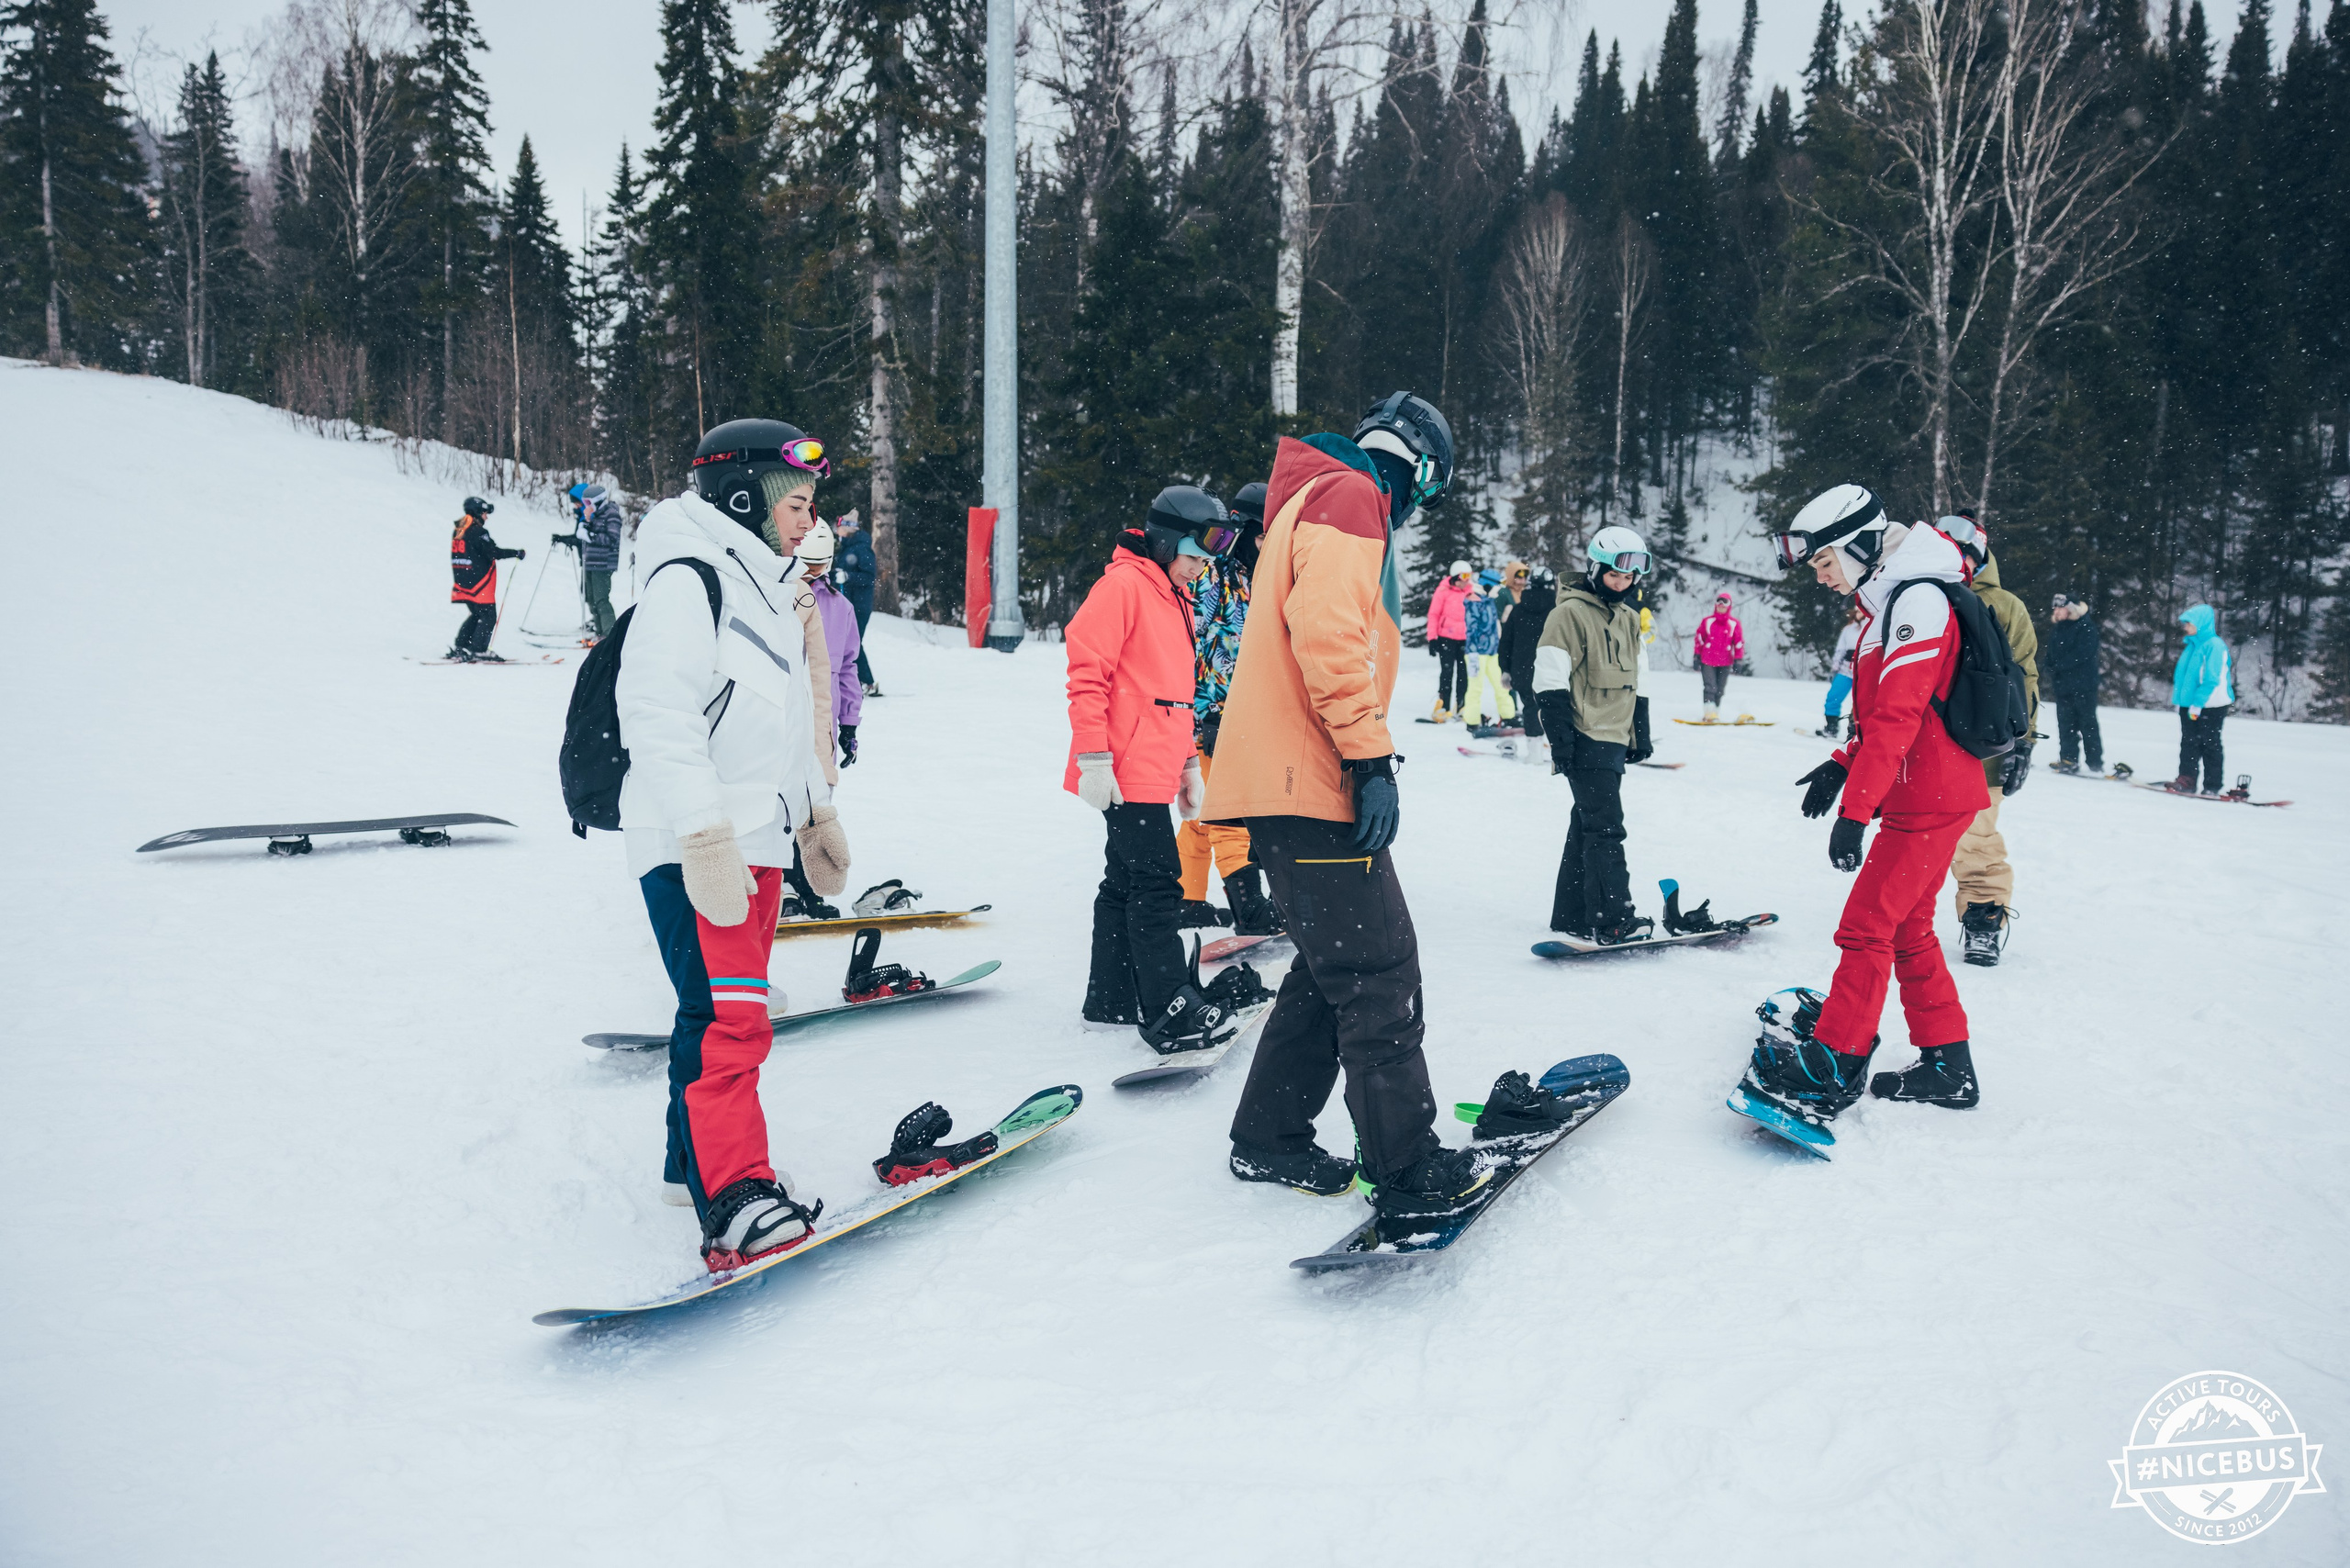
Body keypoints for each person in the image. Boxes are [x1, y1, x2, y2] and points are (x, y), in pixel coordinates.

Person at [1204, 389, 1486, 1215]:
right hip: (1310, 779)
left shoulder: (1314, 495)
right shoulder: (1353, 496)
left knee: (1331, 968)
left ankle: (1269, 1135)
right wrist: (1369, 759)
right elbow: (1326, 632)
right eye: (1426, 496)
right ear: (1420, 472)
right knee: (1376, 972)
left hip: (1288, 778)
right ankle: (1405, 1166)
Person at [618, 417, 850, 1271]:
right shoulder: (689, 579)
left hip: (755, 835)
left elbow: (783, 724)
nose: (809, 516)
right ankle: (735, 1194)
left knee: (712, 1012)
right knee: (731, 1021)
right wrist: (703, 832)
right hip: (696, 839)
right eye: (796, 499)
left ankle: (696, 1166)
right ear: (744, 495)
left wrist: (815, 810)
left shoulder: (769, 586)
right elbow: (655, 714)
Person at [1740, 484, 1989, 1132]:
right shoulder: (1895, 601)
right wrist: (1841, 764)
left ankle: (1835, 1063)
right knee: (1906, 928)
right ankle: (1948, 1064)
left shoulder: (1919, 601)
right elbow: (1886, 718)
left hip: (1928, 797)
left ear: (1857, 546)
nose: (1822, 578)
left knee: (1866, 927)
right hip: (1927, 791)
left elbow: (1903, 718)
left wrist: (1856, 812)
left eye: (1825, 563)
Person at [1067, 486, 1260, 1051]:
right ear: (1165, 541)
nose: (1201, 570)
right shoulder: (1124, 585)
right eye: (1195, 556)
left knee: (1125, 881)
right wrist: (1094, 759)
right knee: (1157, 884)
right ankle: (1169, 1004)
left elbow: (1172, 691)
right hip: (1123, 767)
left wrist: (1185, 766)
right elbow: (1087, 674)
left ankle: (1111, 998)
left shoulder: (1170, 593)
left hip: (1152, 763)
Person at [1533, 527, 1657, 945]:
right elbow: (1549, 680)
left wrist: (1640, 732)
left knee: (1587, 823)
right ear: (1595, 569)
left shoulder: (1626, 618)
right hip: (1585, 734)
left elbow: (1640, 677)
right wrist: (1561, 740)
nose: (1622, 584)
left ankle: (1573, 914)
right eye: (1614, 576)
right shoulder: (1568, 615)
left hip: (1614, 738)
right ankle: (1612, 918)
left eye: (1629, 578)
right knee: (1606, 828)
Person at [1177, 481, 1283, 935]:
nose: (1269, 546)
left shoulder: (1251, 576)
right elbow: (1187, 644)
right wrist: (1205, 713)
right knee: (1229, 812)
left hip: (1240, 712)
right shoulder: (1209, 575)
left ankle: (1188, 898)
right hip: (1211, 717)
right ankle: (1249, 908)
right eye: (1264, 536)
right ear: (1242, 529)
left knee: (1204, 815)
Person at [1936, 514, 2038, 968]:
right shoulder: (1920, 598)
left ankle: (1982, 920)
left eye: (1965, 556)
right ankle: (1898, 916)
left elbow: (2025, 676)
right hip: (1923, 743)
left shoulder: (2006, 606)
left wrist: (2024, 743)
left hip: (1984, 747)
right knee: (1909, 833)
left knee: (1974, 837)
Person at [448, 495, 523, 662]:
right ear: (476, 512)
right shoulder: (478, 532)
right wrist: (515, 553)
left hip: (463, 580)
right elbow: (493, 552)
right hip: (479, 582)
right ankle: (478, 649)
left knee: (476, 614)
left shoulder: (460, 529)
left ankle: (462, 645)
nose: (486, 516)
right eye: (484, 513)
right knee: (488, 616)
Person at [1496, 567, 1559, 766]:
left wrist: (1505, 669)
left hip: (1522, 671)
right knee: (1557, 710)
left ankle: (1534, 754)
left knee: (1531, 709)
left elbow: (1505, 642)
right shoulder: (1558, 611)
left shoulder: (1518, 610)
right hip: (1553, 670)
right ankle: (1560, 753)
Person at [2169, 603, 2232, 794]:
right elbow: (2184, 678)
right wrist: (2182, 702)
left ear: (2201, 623)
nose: (2186, 627)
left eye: (2189, 623)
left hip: (2210, 705)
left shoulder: (2214, 646)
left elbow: (2211, 679)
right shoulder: (2192, 646)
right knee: (2189, 743)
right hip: (2190, 706)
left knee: (2210, 744)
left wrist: (2198, 703)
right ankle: (2186, 781)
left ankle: (2212, 786)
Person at [2043, 592, 2102, 774]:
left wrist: (2059, 666)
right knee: (2065, 724)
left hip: (2084, 685)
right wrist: (2048, 665)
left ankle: (2095, 763)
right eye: (2055, 608)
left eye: (2060, 608)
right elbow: (2052, 652)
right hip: (2063, 686)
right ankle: (2068, 759)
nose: (2056, 611)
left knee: (2087, 724)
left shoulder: (2086, 627)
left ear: (2070, 609)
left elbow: (2083, 654)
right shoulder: (2059, 628)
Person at [560, 482, 624, 638]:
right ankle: (599, 630)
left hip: (602, 564)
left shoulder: (611, 514)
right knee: (590, 598)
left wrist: (590, 536)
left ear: (598, 500)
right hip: (590, 563)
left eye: (588, 503)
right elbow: (586, 533)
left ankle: (609, 635)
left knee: (601, 599)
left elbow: (612, 538)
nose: (586, 506)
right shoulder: (595, 515)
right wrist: (586, 522)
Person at [1461, 568, 1516, 730]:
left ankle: (1509, 717)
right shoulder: (1472, 601)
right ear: (1487, 585)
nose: (1499, 589)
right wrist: (1473, 652)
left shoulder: (1490, 601)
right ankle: (1472, 722)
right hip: (1476, 654)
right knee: (1475, 689)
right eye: (1497, 586)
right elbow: (1472, 628)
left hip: (1493, 652)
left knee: (1502, 686)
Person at [834, 510, 880, 695]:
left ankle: (868, 683)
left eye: (839, 528)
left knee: (853, 643)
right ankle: (855, 681)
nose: (837, 531)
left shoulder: (861, 548)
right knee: (848, 642)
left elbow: (869, 576)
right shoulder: (847, 547)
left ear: (848, 529)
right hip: (848, 603)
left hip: (859, 606)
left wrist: (847, 576)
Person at [1425, 562, 1472, 722]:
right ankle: (1443, 706)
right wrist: (1432, 638)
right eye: (1464, 576)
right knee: (1447, 673)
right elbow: (1434, 615)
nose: (1467, 580)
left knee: (1463, 673)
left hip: (1465, 639)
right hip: (1446, 638)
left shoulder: (1471, 592)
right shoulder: (1443, 591)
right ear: (1456, 576)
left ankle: (1461, 705)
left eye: (1469, 576)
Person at [1693, 590, 1746, 722]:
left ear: (1729, 605)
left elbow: (1738, 643)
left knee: (1720, 689)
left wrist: (1738, 659)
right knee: (1710, 687)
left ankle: (1715, 712)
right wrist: (1696, 656)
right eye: (1719, 601)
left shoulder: (1734, 624)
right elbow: (1699, 639)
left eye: (1725, 602)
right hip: (1708, 659)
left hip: (1725, 661)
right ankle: (1708, 713)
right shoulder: (1708, 621)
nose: (1721, 605)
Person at [1820, 601, 1863, 738]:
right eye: (1858, 611)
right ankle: (1831, 727)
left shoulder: (1874, 626)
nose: (1860, 614)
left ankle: (1855, 733)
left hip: (1863, 670)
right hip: (1845, 669)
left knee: (1861, 703)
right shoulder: (1848, 629)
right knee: (1833, 697)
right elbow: (1840, 649)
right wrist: (1835, 668)